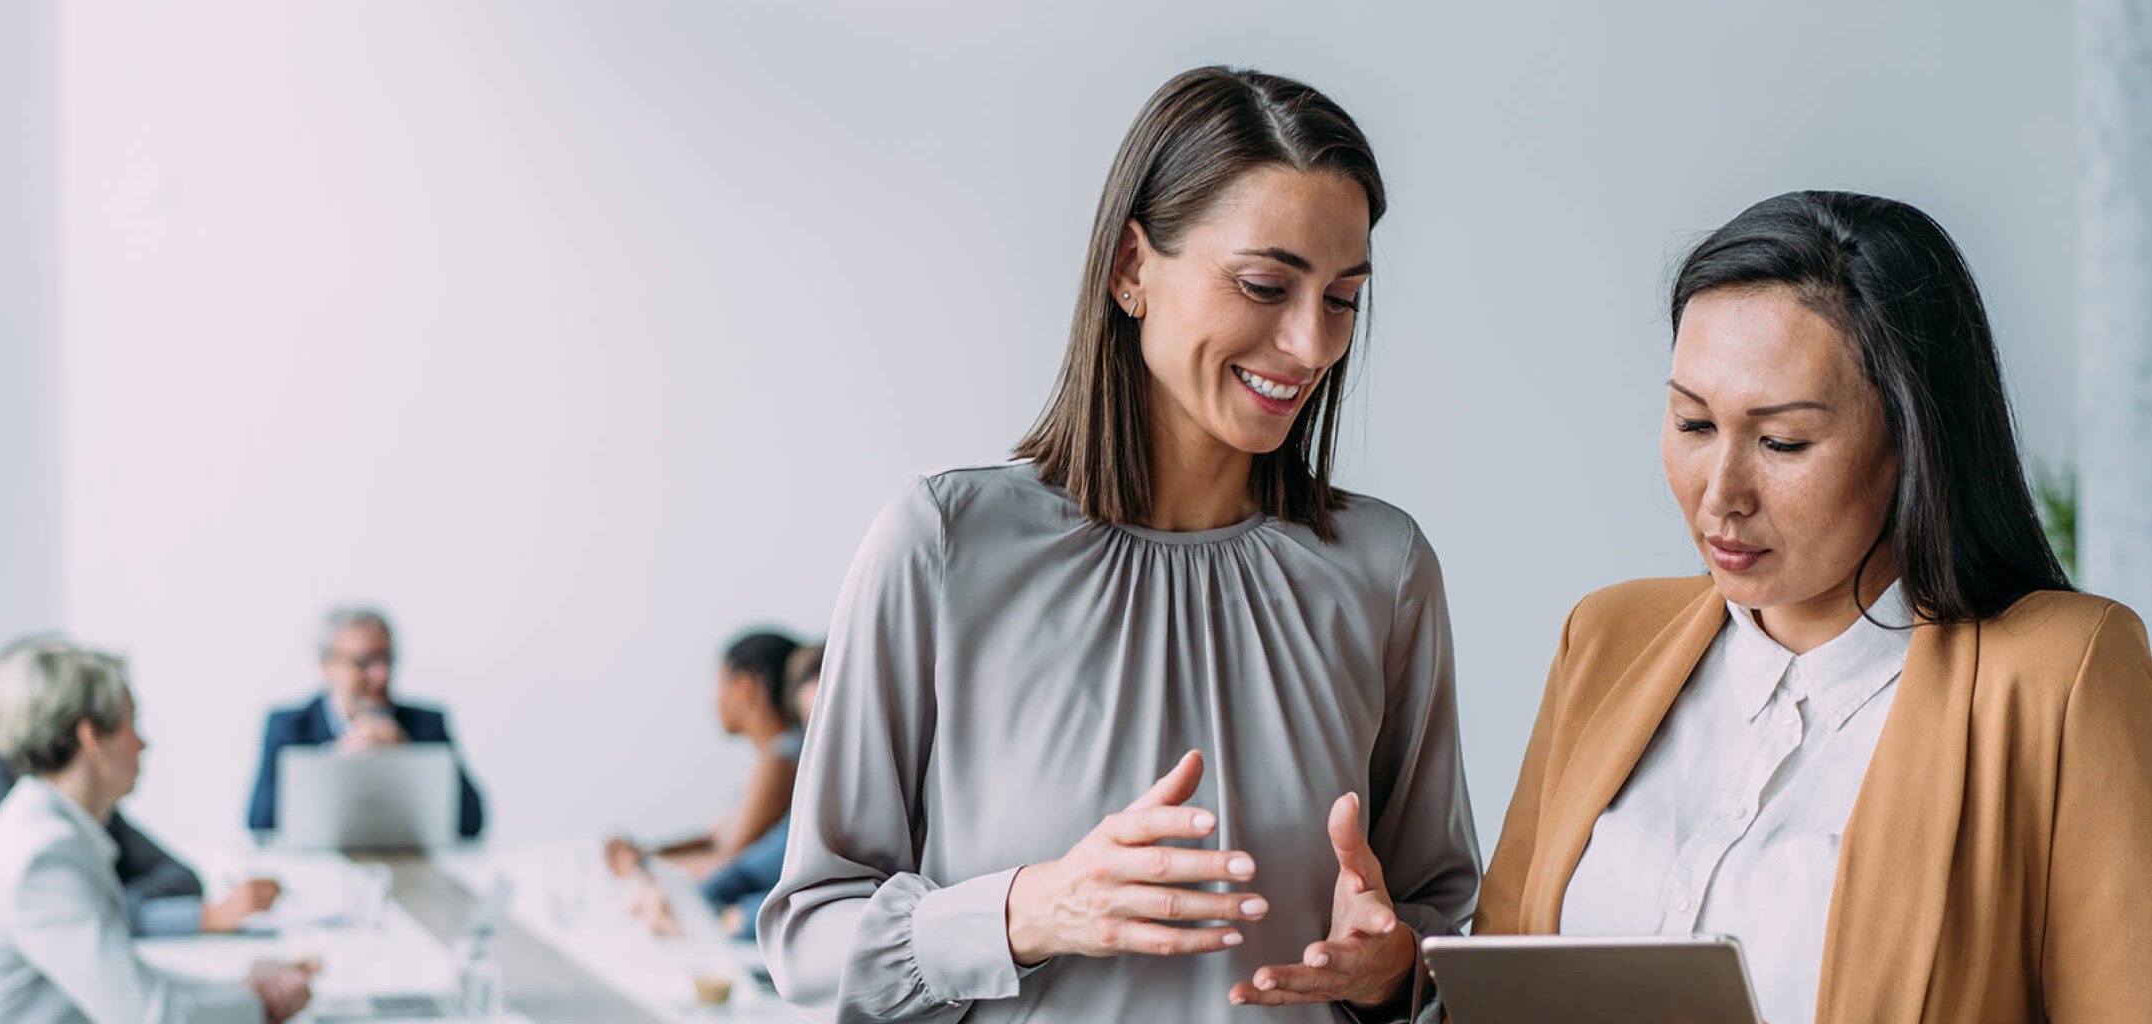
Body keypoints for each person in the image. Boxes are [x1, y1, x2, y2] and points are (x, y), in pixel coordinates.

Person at [760, 66, 1478, 1022]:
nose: (1312, 345)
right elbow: (810, 938)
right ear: (1131, 267)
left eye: (1343, 298)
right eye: (1266, 285)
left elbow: (1442, 929)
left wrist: (1394, 972)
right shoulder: (942, 548)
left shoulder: (1382, 572)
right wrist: (1026, 911)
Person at [1475, 191, 2152, 1023]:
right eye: (1693, 423)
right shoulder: (1607, 638)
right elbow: (1490, 976)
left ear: (1912, 439)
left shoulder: (2063, 673)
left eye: (1781, 443)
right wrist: (1387, 971)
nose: (1721, 496)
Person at [0, 637, 286, 1024]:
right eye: (131, 724)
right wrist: (259, 1003)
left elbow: (130, 981)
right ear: (92, 737)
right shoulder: (39, 855)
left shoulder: (53, 821)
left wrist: (240, 990)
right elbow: (150, 1015)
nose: (144, 744)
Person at [608, 633, 821, 937]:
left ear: (744, 688)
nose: (716, 699)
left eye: (720, 685)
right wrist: (645, 854)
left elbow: (732, 859)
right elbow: (715, 838)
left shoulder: (781, 762)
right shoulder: (770, 759)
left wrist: (643, 865)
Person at [245, 606, 487, 839]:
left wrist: (408, 756)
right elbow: (260, 823)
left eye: (386, 659)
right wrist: (335, 761)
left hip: (408, 867)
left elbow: (472, 822)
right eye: (364, 662)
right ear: (327, 666)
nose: (380, 675)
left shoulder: (426, 725)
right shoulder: (290, 727)